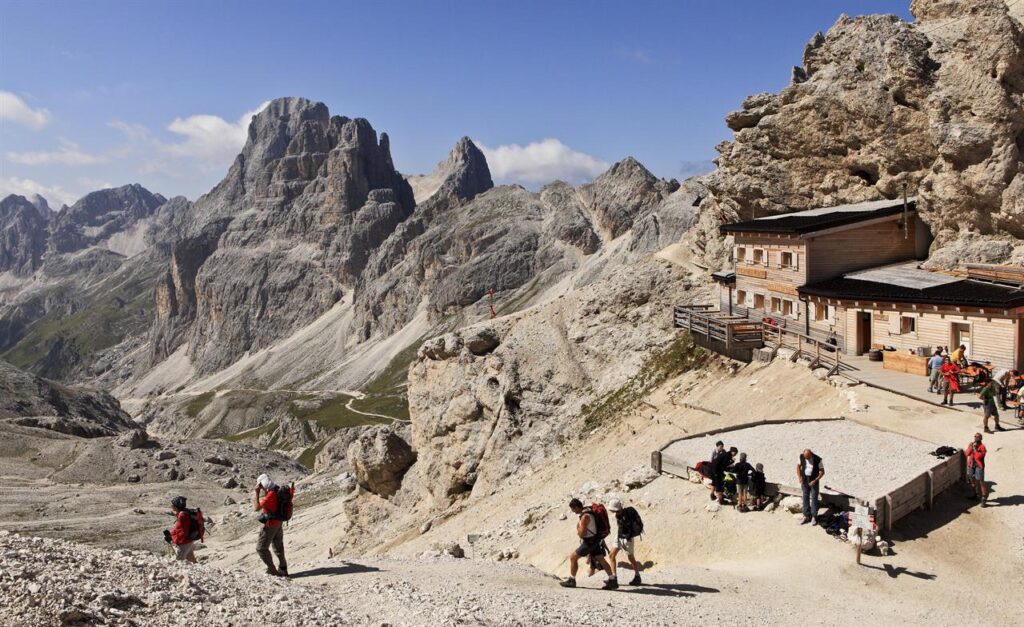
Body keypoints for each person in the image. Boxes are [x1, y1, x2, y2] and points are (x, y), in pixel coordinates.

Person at [560, 498, 616, 589]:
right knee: (601, 560)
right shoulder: (588, 510)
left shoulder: (585, 516)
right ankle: (612, 580)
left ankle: (572, 580)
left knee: (573, 557)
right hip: (596, 540)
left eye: (573, 509)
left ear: (577, 507)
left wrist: (578, 528)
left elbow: (581, 534)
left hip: (589, 542)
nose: (573, 511)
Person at [254, 474, 289, 577]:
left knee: (261, 548)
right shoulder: (276, 488)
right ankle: (283, 569)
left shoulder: (270, 494)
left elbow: (256, 508)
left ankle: (272, 571)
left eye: (260, 485)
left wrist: (256, 493)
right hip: (279, 522)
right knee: (278, 547)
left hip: (271, 524)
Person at [607, 499, 643, 586]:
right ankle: (614, 578)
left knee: (631, 557)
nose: (611, 511)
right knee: (611, 555)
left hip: (627, 539)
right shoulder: (619, 514)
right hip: (619, 536)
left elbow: (628, 527)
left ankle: (637, 576)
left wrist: (627, 536)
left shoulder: (624, 515)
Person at [166, 496, 198, 564]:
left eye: (173, 504)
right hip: (189, 541)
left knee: (179, 562)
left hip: (184, 543)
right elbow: (178, 528)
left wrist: (172, 540)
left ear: (176, 506)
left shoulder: (182, 515)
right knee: (191, 558)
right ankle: (200, 570)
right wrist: (170, 534)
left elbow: (183, 532)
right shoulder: (184, 512)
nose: (171, 506)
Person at [796, 449, 824, 525]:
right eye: (805, 457)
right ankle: (806, 516)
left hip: (814, 480)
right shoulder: (802, 457)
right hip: (804, 479)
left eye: (807, 458)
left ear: (811, 454)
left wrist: (815, 480)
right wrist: (799, 477)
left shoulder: (818, 459)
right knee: (805, 497)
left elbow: (822, 472)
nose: (806, 459)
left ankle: (814, 516)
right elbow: (798, 467)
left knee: (814, 498)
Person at [965, 433, 988, 506]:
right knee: (972, 480)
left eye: (978, 437)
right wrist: (971, 448)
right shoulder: (971, 444)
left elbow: (978, 457)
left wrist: (974, 449)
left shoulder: (982, 447)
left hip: (979, 466)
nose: (976, 438)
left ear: (981, 438)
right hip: (971, 465)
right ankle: (975, 494)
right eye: (975, 436)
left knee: (981, 481)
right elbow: (967, 454)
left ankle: (984, 498)